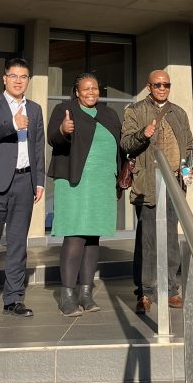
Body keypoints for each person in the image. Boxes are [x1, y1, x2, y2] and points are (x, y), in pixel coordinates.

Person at [121, 69, 193, 314]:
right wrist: (142, 134)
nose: (162, 88)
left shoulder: (179, 112)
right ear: (149, 87)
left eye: (166, 85)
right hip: (147, 184)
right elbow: (126, 143)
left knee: (171, 238)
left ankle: (171, 289)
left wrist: (192, 169)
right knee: (148, 239)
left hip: (174, 183)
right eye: (157, 85)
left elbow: (189, 146)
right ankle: (145, 291)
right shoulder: (135, 110)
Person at [0, 57, 45, 320]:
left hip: (25, 182)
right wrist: (13, 124)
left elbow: (38, 145)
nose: (18, 81)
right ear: (4, 78)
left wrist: (39, 181)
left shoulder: (35, 109)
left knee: (17, 245)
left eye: (23, 76)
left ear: (28, 80)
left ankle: (14, 298)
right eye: (13, 76)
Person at [48, 73, 122, 317]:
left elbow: (120, 145)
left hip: (102, 183)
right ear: (77, 92)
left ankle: (86, 294)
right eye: (86, 89)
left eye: (95, 88)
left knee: (92, 238)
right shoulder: (65, 109)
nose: (91, 92)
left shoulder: (109, 114)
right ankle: (67, 296)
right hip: (74, 182)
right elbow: (53, 138)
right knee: (75, 236)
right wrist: (63, 130)